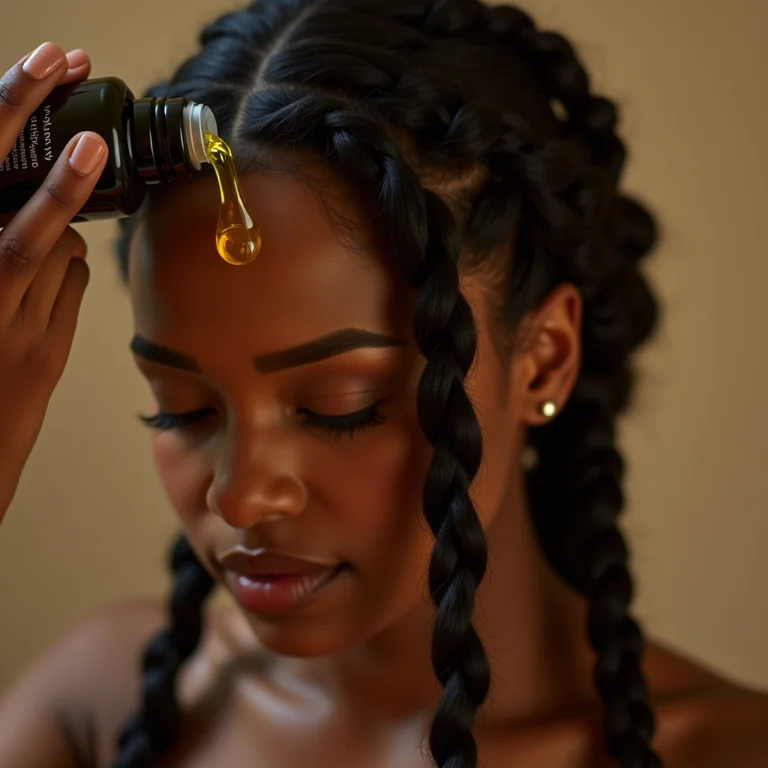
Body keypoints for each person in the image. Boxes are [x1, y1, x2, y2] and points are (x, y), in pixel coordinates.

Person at [0, 1, 766, 766]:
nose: (240, 499)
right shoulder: (101, 701)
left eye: (341, 408)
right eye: (185, 409)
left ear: (546, 357)